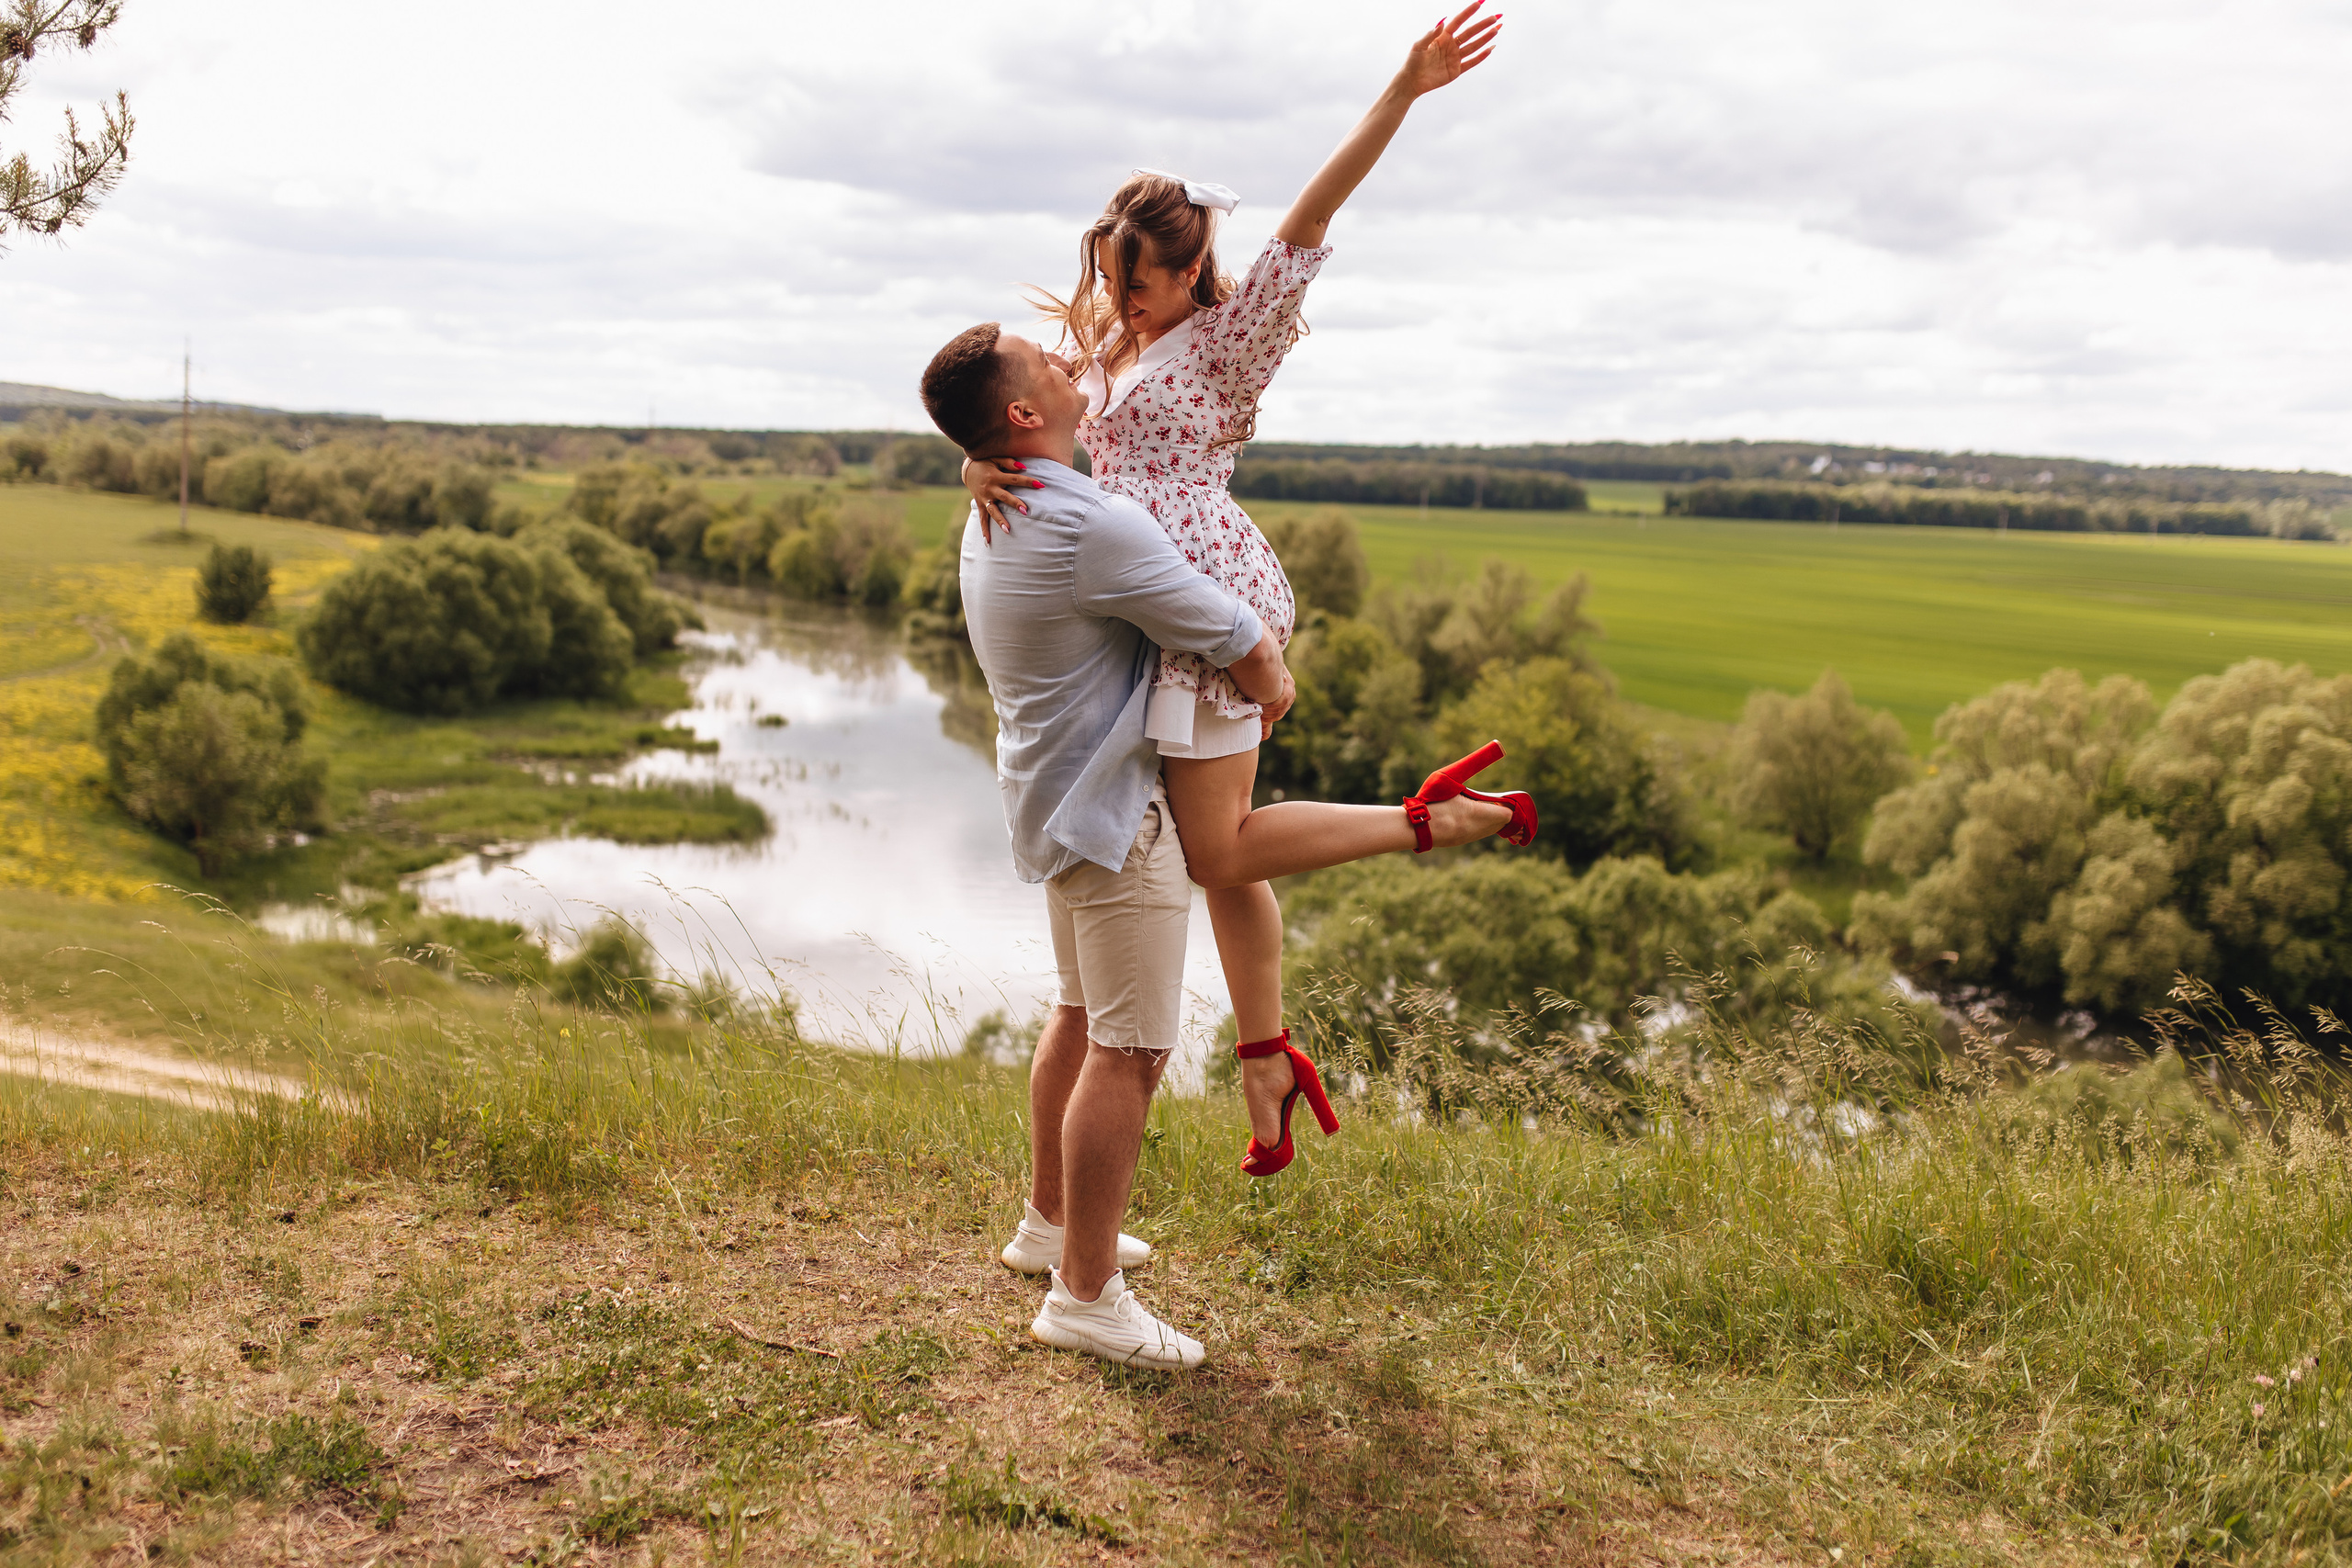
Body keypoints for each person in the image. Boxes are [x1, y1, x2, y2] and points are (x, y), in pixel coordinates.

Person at [962, 2, 1513, 1179]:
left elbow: (1311, 220)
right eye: (1116, 282)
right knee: (1219, 854)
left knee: (1216, 851)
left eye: (1145, 283)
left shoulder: (1227, 340)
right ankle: (1265, 1053)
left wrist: (1402, 90)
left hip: (1207, 607)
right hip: (1134, 610)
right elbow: (1021, 421)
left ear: (1190, 266)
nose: (1126, 301)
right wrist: (978, 461)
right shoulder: (1108, 350)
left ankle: (1419, 824)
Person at [919, 321, 1513, 1368]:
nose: (1073, 368)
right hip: (1114, 822)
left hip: (1051, 806)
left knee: (1077, 1014)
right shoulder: (1085, 524)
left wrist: (976, 462)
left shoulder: (1000, 508)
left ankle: (1048, 1229)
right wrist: (1275, 685)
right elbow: (1232, 631)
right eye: (1051, 368)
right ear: (1020, 419)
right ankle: (1084, 1297)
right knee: (1131, 1050)